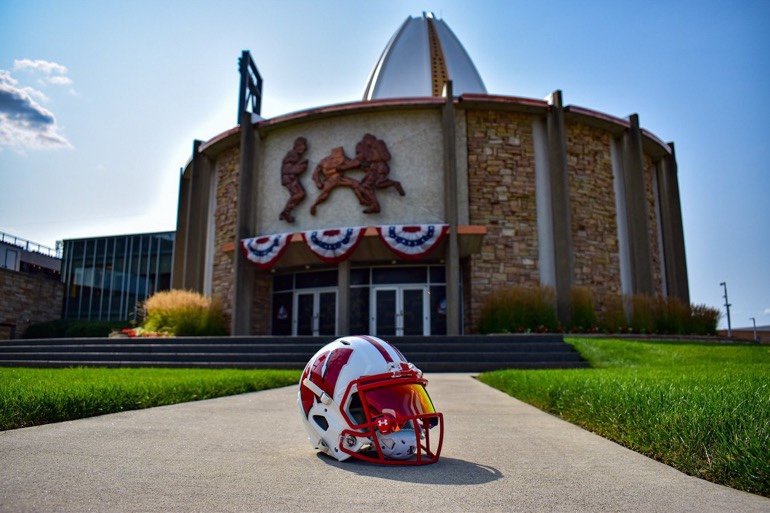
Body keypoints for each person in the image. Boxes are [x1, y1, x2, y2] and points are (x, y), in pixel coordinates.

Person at [309, 146, 366, 215]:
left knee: (356, 184)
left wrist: (365, 168)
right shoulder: (324, 161)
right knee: (324, 194)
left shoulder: (343, 159)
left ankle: (361, 199)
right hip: (329, 180)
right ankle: (314, 205)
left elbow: (353, 165)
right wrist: (318, 182)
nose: (338, 155)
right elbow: (315, 174)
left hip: (339, 178)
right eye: (337, 153)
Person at [279, 137, 309, 223]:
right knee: (300, 194)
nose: (304, 149)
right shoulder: (293, 154)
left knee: (298, 194)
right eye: (303, 146)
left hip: (290, 177)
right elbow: (287, 168)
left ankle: (286, 212)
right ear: (297, 146)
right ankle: (286, 212)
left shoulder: (295, 155)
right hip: (289, 177)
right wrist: (300, 166)